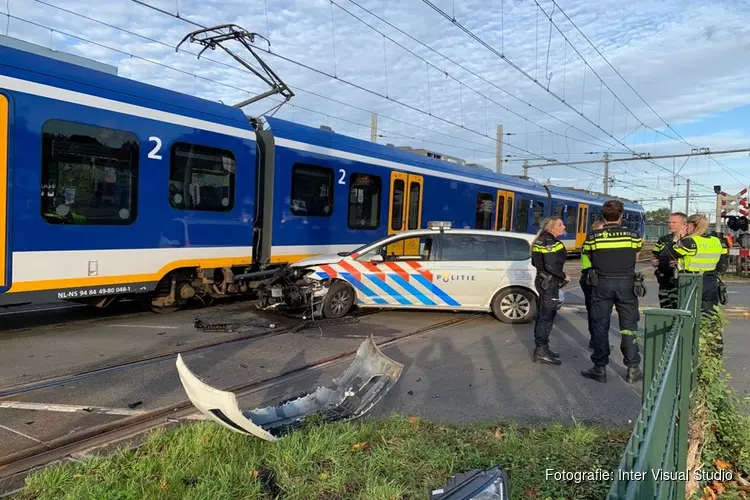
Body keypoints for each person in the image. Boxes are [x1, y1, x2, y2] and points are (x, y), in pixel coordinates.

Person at [580, 200, 643, 384]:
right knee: (629, 326)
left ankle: (599, 368)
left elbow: (588, 256)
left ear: (603, 215)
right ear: (622, 215)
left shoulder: (593, 236)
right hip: (626, 283)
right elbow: (636, 255)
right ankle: (633, 369)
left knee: (600, 325)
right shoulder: (633, 235)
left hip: (602, 283)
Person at [666, 215, 728, 318]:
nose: (685, 227)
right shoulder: (716, 241)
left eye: (687, 225)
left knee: (688, 314)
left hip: (689, 280)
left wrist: (677, 238)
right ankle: (710, 333)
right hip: (710, 280)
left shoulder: (689, 242)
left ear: (694, 226)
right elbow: (723, 264)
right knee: (709, 314)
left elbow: (667, 253)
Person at [530, 216, 570, 365]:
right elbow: (551, 265)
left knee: (543, 315)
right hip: (549, 283)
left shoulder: (540, 240)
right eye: (561, 224)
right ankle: (540, 352)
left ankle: (543, 348)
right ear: (552, 227)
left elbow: (536, 262)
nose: (564, 227)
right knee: (546, 317)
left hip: (542, 280)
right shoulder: (551, 242)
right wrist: (564, 275)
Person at [652, 212, 687, 309]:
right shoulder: (663, 239)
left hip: (680, 281)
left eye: (674, 222)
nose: (670, 224)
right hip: (664, 280)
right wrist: (654, 261)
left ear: (684, 224)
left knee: (679, 307)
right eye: (669, 222)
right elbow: (655, 255)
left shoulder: (688, 240)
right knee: (665, 308)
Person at [580, 219, 605, 349]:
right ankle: (596, 341)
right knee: (595, 312)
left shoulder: (588, 242)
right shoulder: (592, 243)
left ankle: (595, 339)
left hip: (589, 277)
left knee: (593, 311)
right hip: (591, 278)